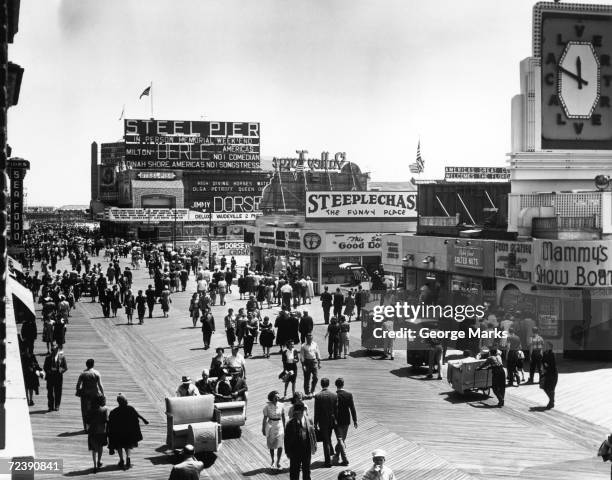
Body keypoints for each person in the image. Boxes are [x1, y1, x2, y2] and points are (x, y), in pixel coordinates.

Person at [108, 394, 148, 470]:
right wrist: (144, 419)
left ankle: (121, 460)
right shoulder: (130, 408)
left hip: (118, 433)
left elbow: (110, 423)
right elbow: (137, 415)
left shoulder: (114, 412)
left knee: (119, 446)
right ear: (125, 401)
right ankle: (128, 458)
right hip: (128, 432)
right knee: (127, 445)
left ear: (118, 402)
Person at [284, 401, 317, 480]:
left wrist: (314, 445)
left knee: (306, 471)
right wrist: (287, 452)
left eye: (298, 412)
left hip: (306, 450)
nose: (296, 414)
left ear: (302, 411)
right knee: (294, 472)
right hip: (294, 451)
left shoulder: (309, 420)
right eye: (295, 412)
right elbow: (286, 439)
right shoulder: (290, 423)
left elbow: (312, 434)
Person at [76, 358, 105, 431]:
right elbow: (100, 385)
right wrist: (103, 394)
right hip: (95, 395)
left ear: (86, 365)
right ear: (93, 365)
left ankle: (86, 428)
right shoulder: (97, 373)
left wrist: (79, 391)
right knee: (94, 410)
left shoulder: (83, 374)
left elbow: (78, 385)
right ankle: (94, 426)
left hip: (85, 395)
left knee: (85, 411)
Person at [314, 377, 338, 467]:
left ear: (321, 384)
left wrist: (315, 423)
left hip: (322, 421)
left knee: (326, 441)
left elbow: (317, 411)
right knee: (329, 437)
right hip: (332, 421)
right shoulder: (334, 395)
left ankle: (328, 462)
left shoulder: (318, 396)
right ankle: (332, 452)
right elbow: (336, 410)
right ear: (328, 384)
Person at [334, 377, 357, 466]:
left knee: (340, 440)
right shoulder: (349, 395)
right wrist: (355, 420)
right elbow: (352, 408)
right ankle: (337, 456)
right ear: (343, 384)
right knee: (342, 439)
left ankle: (341, 457)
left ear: (336, 385)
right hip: (346, 420)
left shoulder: (335, 395)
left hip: (338, 420)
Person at [262, 390, 286, 470]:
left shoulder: (282, 405)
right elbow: (265, 418)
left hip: (279, 425)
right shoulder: (267, 407)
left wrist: (285, 427)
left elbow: (283, 417)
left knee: (280, 444)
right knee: (271, 444)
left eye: (278, 397)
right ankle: (272, 461)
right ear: (272, 398)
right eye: (276, 397)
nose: (277, 398)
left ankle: (278, 462)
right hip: (271, 425)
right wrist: (263, 428)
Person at [86, 395, 109, 473]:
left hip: (92, 431)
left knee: (94, 449)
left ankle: (95, 465)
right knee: (100, 447)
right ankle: (99, 461)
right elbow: (106, 420)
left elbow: (87, 422)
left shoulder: (90, 410)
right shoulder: (104, 410)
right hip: (102, 431)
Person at [43, 345, 68, 411]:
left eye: (54, 350)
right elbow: (45, 367)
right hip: (50, 377)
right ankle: (50, 406)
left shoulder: (61, 357)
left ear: (57, 350)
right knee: (50, 392)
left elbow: (65, 367)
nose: (53, 351)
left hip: (58, 377)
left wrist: (60, 370)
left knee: (58, 392)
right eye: (52, 350)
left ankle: (57, 405)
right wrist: (48, 371)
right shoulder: (48, 357)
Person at [541, 341, 558, 409]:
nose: (545, 347)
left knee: (551, 389)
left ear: (550, 347)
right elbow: (542, 361)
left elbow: (553, 365)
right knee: (545, 387)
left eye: (547, 346)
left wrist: (546, 365)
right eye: (545, 345)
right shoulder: (544, 353)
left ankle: (551, 402)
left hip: (553, 374)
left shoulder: (552, 354)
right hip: (546, 373)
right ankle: (552, 400)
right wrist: (544, 366)